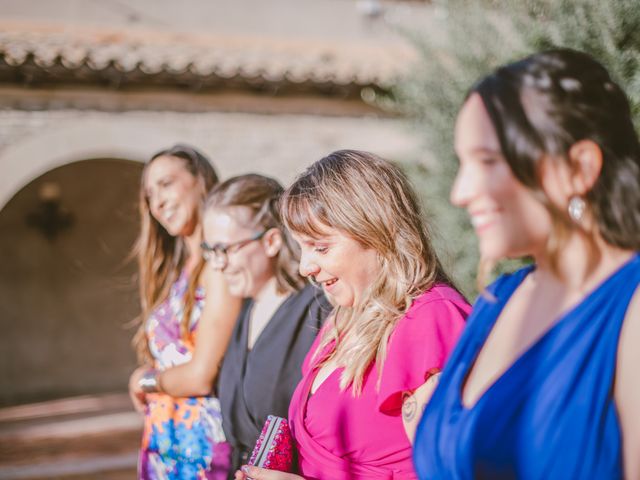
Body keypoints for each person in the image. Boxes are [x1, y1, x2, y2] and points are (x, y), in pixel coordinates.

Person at [413, 49, 640, 479]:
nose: (460, 192)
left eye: (487, 161)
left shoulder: (631, 307)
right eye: (463, 164)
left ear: (579, 167)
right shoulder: (495, 301)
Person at [237, 150, 471, 480]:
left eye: (320, 247)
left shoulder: (431, 320)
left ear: (376, 232)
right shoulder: (341, 321)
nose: (306, 267)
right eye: (301, 248)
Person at [200, 174, 331, 473]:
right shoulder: (244, 312)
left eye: (226, 249)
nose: (217, 264)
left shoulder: (317, 310)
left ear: (271, 241)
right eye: (210, 251)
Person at [128, 144, 242, 479]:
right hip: (165, 443)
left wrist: (143, 380)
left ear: (201, 181)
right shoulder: (181, 272)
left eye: (166, 184)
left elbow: (200, 375)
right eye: (149, 194)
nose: (157, 202)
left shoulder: (219, 265)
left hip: (201, 450)